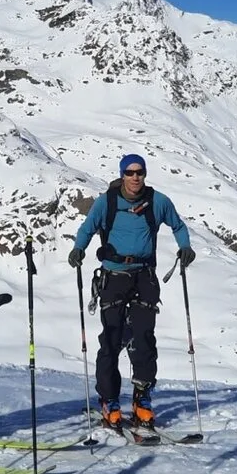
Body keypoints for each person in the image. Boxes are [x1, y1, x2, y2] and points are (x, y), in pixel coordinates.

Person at [68, 154, 196, 429]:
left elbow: (178, 225)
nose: (135, 177)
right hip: (113, 277)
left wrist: (185, 246)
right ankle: (109, 399)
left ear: (145, 174)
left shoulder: (158, 202)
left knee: (144, 337)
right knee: (111, 339)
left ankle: (142, 399)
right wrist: (78, 249)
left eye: (139, 172)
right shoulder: (107, 202)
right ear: (122, 175)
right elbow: (87, 228)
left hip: (144, 276)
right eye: (130, 172)